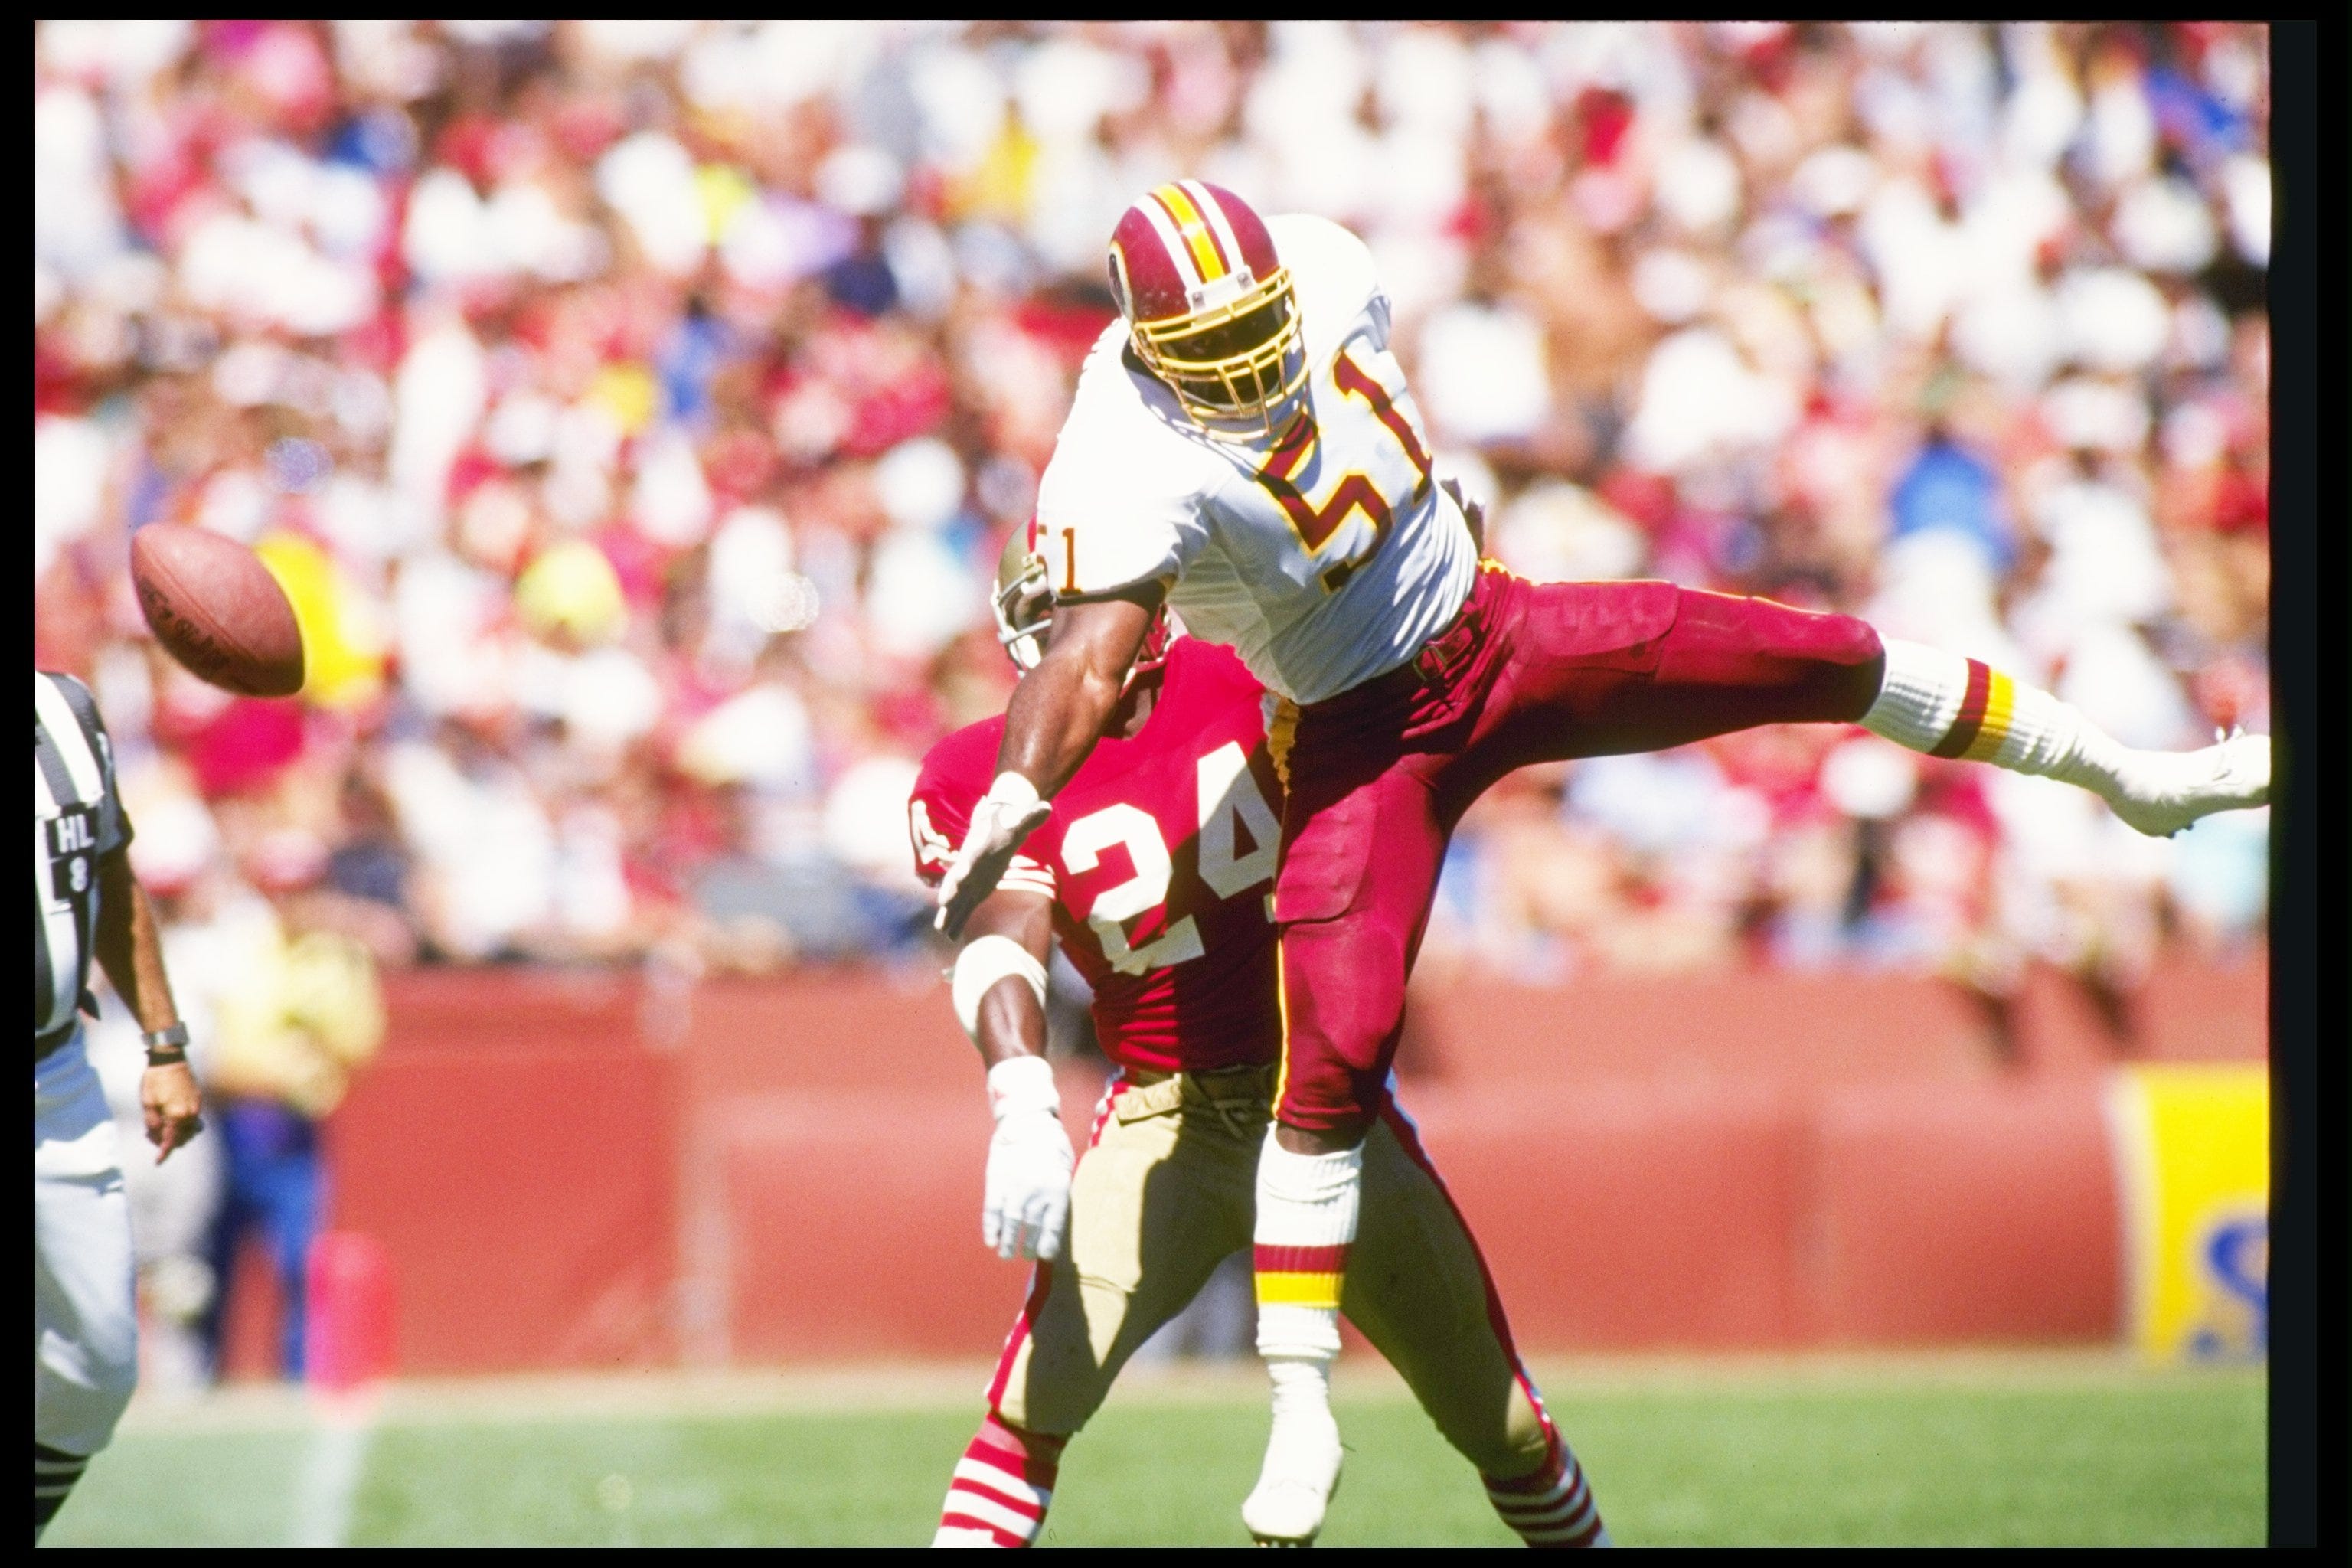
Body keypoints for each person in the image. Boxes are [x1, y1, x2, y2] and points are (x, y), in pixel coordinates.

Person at [928, 181, 2274, 1544]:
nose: (1247, 369)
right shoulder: (1117, 472)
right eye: (1208, 352)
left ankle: (2131, 773)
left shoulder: (1330, 269)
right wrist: (1016, 830)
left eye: (1255, 331)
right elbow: (1084, 672)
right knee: (1329, 1061)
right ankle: (1299, 1407)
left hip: (1495, 632)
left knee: (1821, 657)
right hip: (1357, 750)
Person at [912, 534, 1607, 1548]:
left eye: (1073, 618)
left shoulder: (1260, 676)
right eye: (1041, 620)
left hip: (1320, 1108)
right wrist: (1020, 1097)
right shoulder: (980, 768)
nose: (1051, 645)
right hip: (1165, 1112)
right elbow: (1000, 927)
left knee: (1501, 1423)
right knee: (1032, 1399)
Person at [35, 670, 207, 1543]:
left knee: (95, 1364)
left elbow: (110, 874)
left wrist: (164, 1042)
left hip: (52, 1072)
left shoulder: (65, 714)